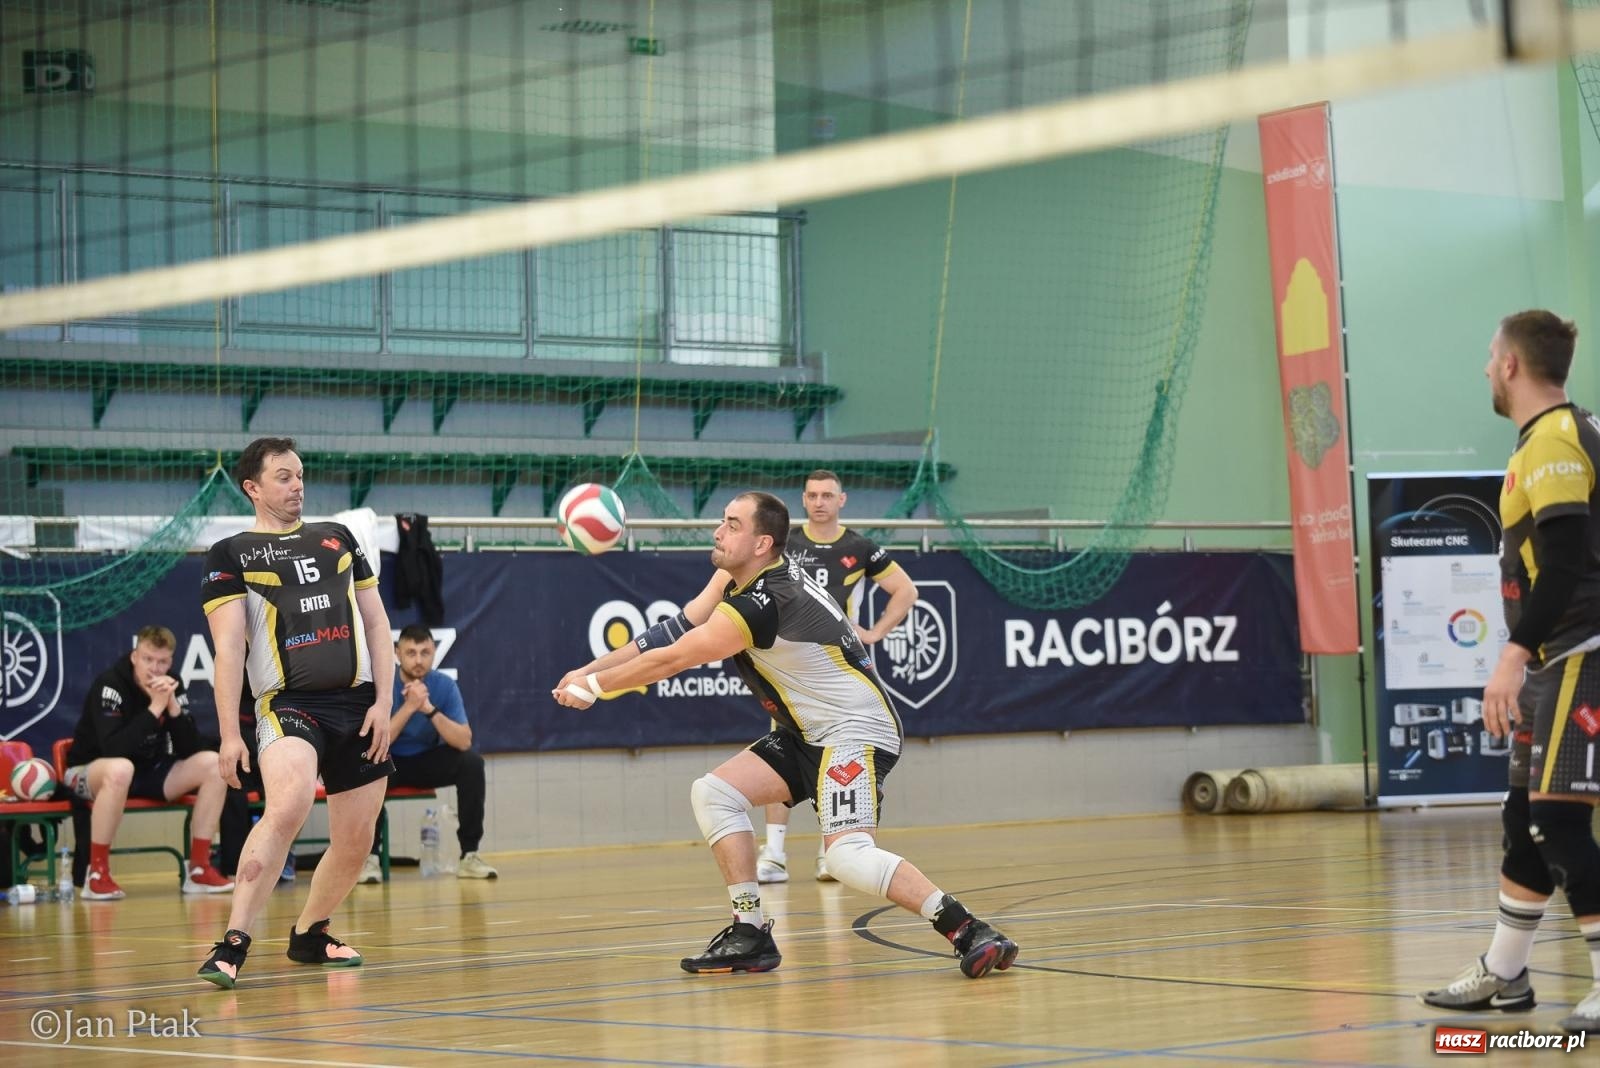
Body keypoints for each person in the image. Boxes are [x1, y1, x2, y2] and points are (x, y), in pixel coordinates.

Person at [554, 492, 1018, 979]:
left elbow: (674, 659)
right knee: (715, 794)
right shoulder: (744, 574)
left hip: (854, 729)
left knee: (846, 857)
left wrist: (593, 688)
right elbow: (674, 630)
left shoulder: (765, 601)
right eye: (722, 521)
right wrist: (587, 669)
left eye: (732, 525)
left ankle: (970, 929)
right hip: (808, 731)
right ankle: (750, 932)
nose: (718, 532)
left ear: (762, 543)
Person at [1419, 311, 1600, 1035]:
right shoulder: (1549, 437)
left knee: (1557, 818)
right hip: (1557, 656)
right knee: (1523, 817)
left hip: (1580, 652)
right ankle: (1506, 972)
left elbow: (1562, 566)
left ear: (1513, 367)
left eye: (1490, 356)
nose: (1485, 368)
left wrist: (1511, 656)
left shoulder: (1556, 440)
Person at [194, 435, 394, 989]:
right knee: (289, 803)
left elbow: (377, 624)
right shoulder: (231, 554)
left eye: (300, 475)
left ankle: (310, 933)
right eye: (283, 477)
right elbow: (230, 648)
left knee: (357, 838)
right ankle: (232, 942)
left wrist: (383, 700)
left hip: (356, 703)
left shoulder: (338, 537)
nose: (297, 485)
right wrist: (228, 736)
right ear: (253, 488)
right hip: (288, 705)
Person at [759, 468, 919, 884]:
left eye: (827, 495)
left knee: (839, 754)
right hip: (793, 667)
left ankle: (831, 850)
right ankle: (773, 853)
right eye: (812, 495)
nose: (819, 502)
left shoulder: (860, 547)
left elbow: (906, 591)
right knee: (783, 746)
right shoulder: (787, 542)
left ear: (841, 500)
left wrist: (875, 633)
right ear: (803, 499)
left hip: (842, 669)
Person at [63, 625, 235, 899]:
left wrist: (172, 708)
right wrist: (155, 707)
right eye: (148, 660)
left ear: (171, 661)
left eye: (163, 662)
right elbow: (113, 748)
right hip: (90, 770)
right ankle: (96, 873)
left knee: (213, 764)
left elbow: (190, 749)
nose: (155, 669)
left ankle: (200, 868)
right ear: (134, 656)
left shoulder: (172, 684)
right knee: (121, 768)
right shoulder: (110, 685)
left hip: (147, 771)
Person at [357, 624, 497, 883]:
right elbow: (376, 742)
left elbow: (464, 741)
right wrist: (410, 707)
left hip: (426, 760)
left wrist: (429, 709)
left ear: (434, 652)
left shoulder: (443, 686)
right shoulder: (381, 685)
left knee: (471, 763)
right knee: (370, 765)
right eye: (411, 653)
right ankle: (370, 859)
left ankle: (470, 855)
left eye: (425, 652)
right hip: (390, 760)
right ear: (397, 654)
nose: (419, 660)